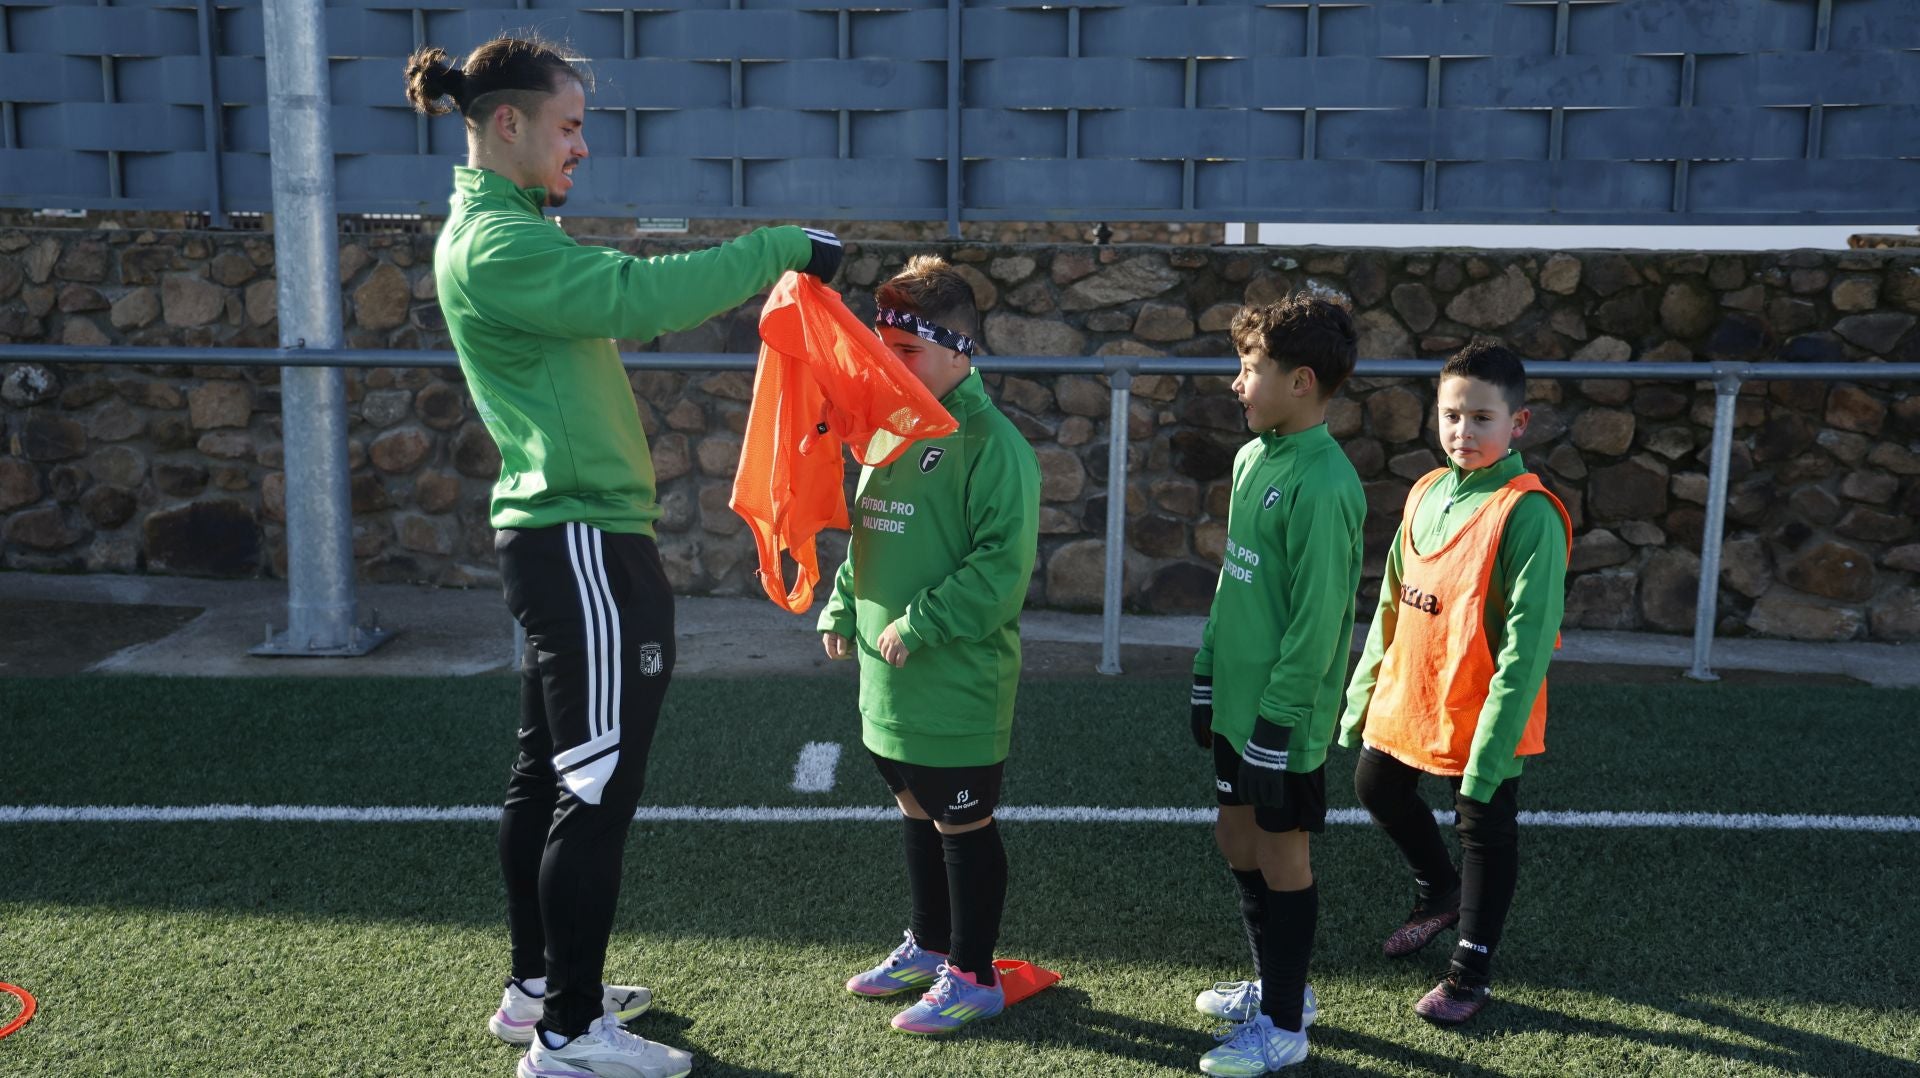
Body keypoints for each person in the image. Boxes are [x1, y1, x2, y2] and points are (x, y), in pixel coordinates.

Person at [405, 35, 843, 1078]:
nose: (582, 148)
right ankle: (567, 1037)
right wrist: (781, 243)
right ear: (505, 124)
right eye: (567, 126)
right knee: (592, 791)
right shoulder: (497, 246)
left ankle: (539, 993)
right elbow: (639, 298)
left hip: (569, 541)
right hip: (583, 548)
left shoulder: (502, 227)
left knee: (548, 777)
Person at [817, 255, 1040, 1036]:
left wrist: (920, 625)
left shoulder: (992, 444)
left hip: (954, 682)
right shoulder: (888, 431)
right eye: (881, 349)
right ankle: (930, 944)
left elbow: (999, 573)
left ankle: (973, 976)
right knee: (914, 806)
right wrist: (842, 604)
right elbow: (866, 539)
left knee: (961, 823)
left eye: (903, 352)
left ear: (958, 350)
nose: (886, 364)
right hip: (887, 685)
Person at [1337, 341, 1570, 1026]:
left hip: (1484, 714)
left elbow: (1526, 653)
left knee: (1484, 831)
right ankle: (1437, 892)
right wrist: (1362, 695)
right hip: (1414, 695)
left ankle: (1469, 972)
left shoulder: (1531, 514)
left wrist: (1492, 752)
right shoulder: (1426, 489)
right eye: (1450, 416)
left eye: (1481, 418)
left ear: (1518, 424)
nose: (1462, 432)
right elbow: (1390, 601)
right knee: (1375, 785)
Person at [1187, 296, 1365, 1076]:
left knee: (1283, 854)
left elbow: (1319, 622)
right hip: (1235, 701)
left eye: (1250, 369)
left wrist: (1277, 722)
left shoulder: (1327, 485)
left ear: (1301, 382)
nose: (1237, 384)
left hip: (1280, 720)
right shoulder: (1253, 457)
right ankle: (1273, 985)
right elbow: (1236, 585)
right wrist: (1204, 673)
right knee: (1236, 836)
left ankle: (1287, 1025)